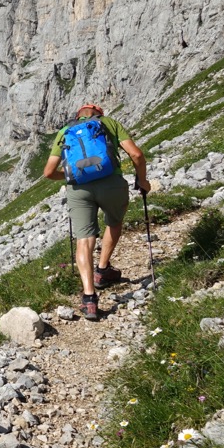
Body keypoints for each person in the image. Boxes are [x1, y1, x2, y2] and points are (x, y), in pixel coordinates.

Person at [43, 103, 149, 320]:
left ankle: (89, 299)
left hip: (78, 189)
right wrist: (143, 180)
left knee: (84, 239)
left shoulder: (65, 132)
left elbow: (48, 172)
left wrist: (72, 176)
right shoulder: (108, 123)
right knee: (114, 222)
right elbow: (136, 155)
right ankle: (102, 270)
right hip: (111, 183)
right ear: (99, 114)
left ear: (78, 116)